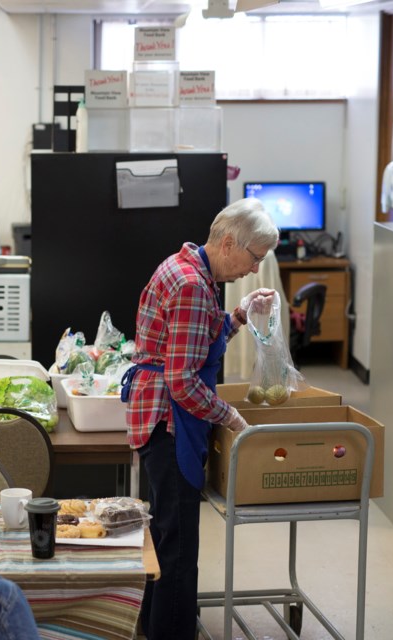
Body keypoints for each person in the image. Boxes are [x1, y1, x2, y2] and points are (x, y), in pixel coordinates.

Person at [120, 197, 278, 640]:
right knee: (178, 549)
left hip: (161, 417)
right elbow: (184, 382)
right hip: (171, 422)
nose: (254, 269)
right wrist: (232, 417)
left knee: (169, 539)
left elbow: (201, 336)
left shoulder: (190, 269)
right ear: (229, 243)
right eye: (254, 258)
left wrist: (241, 315)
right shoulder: (192, 285)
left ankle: (155, 628)